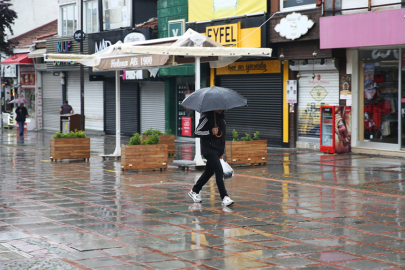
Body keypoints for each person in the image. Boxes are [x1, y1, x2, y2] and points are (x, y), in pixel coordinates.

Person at [188, 110, 234, 206]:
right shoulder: (206, 117)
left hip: (217, 150)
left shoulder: (222, 118)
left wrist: (221, 152)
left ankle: (194, 191)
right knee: (219, 171)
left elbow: (222, 137)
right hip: (208, 149)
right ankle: (224, 196)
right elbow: (196, 132)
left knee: (209, 172)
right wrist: (210, 132)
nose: (220, 109)